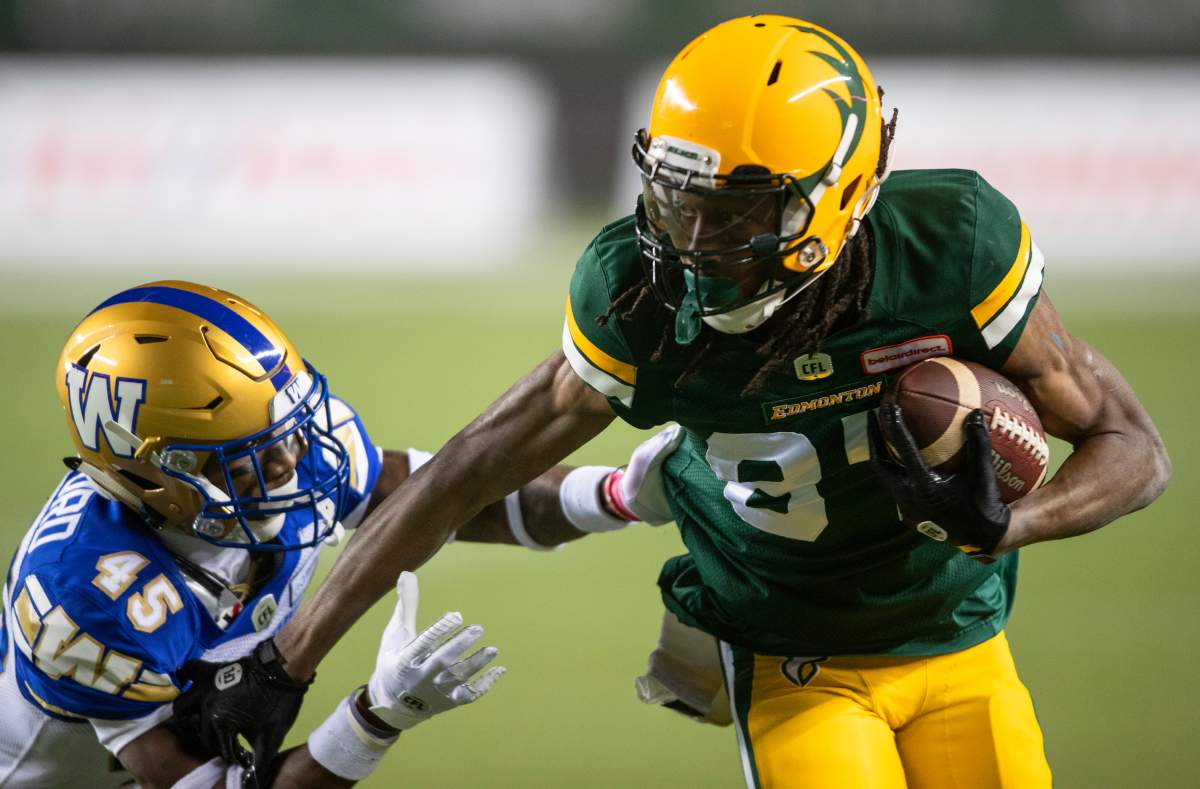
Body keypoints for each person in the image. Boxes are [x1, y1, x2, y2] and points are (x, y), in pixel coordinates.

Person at [181, 16, 1171, 788]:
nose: (698, 237)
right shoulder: (638, 298)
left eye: (744, 210)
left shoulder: (951, 244)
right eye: (680, 197)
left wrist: (1009, 524)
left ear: (842, 193)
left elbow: (1135, 446)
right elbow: (463, 473)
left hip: (958, 635)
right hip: (790, 651)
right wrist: (289, 660)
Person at [0, 279, 599, 787]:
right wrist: (375, 717)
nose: (289, 462)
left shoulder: (284, 453)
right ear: (152, 472)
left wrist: (617, 496)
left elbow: (449, 494)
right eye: (243, 458)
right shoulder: (81, 596)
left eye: (288, 430)